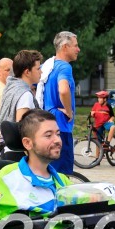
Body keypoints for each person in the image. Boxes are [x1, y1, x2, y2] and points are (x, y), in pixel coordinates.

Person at [40, 31, 80, 175]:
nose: (78, 49)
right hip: (61, 127)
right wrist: (68, 111)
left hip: (46, 123)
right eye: (75, 46)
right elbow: (63, 90)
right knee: (63, 176)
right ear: (65, 47)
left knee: (49, 172)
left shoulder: (47, 66)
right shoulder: (64, 67)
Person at [0, 49, 43, 138]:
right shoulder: (25, 94)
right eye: (38, 69)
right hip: (19, 149)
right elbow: (21, 128)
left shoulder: (11, 87)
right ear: (27, 72)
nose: (41, 72)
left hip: (7, 145)